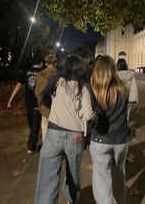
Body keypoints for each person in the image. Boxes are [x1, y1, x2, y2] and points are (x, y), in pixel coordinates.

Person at [34, 55, 93, 204]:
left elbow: (46, 99)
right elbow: (88, 114)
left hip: (54, 132)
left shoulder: (57, 82)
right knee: (73, 174)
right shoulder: (83, 87)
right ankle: (71, 200)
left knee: (47, 176)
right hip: (75, 135)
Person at [90, 55, 130, 204]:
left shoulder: (93, 89)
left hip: (100, 140)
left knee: (102, 179)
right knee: (119, 175)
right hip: (120, 140)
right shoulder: (123, 88)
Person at [7, 56, 43, 154]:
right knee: (34, 126)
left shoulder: (25, 72)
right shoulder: (43, 73)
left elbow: (18, 86)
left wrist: (11, 100)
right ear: (40, 63)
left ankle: (31, 144)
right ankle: (32, 145)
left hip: (28, 103)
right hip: (37, 103)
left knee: (32, 124)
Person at [35, 54, 57, 141]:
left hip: (44, 105)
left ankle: (45, 146)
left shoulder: (40, 75)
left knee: (44, 126)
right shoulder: (60, 74)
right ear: (55, 63)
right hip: (56, 106)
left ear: (46, 63)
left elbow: (37, 92)